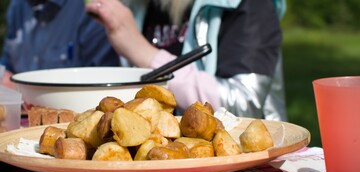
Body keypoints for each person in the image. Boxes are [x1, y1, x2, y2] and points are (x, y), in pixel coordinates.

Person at [85, 0, 287, 121]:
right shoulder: (140, 6)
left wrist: (146, 55)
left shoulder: (249, 5)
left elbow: (243, 106)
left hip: (243, 169)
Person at [1, 0, 120, 89]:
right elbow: (8, 63)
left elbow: (102, 86)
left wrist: (21, 90)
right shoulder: (17, 6)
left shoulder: (92, 9)